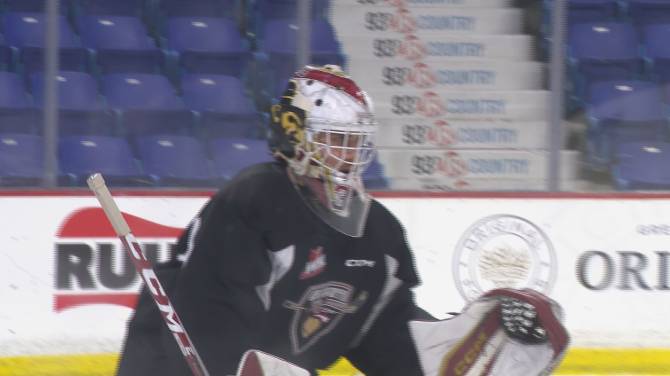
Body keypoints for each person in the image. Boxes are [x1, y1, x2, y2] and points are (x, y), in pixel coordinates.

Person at [115, 65, 568, 376]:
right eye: (335, 140)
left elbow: (387, 337)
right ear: (296, 135)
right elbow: (210, 320)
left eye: (354, 143)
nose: (349, 156)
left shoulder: (379, 235)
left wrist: (460, 347)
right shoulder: (255, 201)